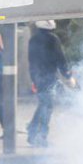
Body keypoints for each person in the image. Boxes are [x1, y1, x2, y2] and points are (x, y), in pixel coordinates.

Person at [26, 20, 73, 148]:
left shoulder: (33, 39)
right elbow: (60, 58)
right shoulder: (53, 39)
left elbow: (31, 61)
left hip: (37, 77)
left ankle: (32, 132)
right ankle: (40, 137)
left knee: (43, 105)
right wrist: (67, 74)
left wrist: (33, 79)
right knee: (47, 107)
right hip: (48, 77)